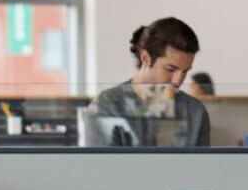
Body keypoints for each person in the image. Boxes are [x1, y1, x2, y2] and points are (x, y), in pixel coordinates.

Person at [88, 17, 211, 147]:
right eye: (170, 69)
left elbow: (202, 166)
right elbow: (102, 166)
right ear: (145, 58)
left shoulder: (195, 111)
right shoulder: (106, 107)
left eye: (185, 71)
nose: (178, 81)